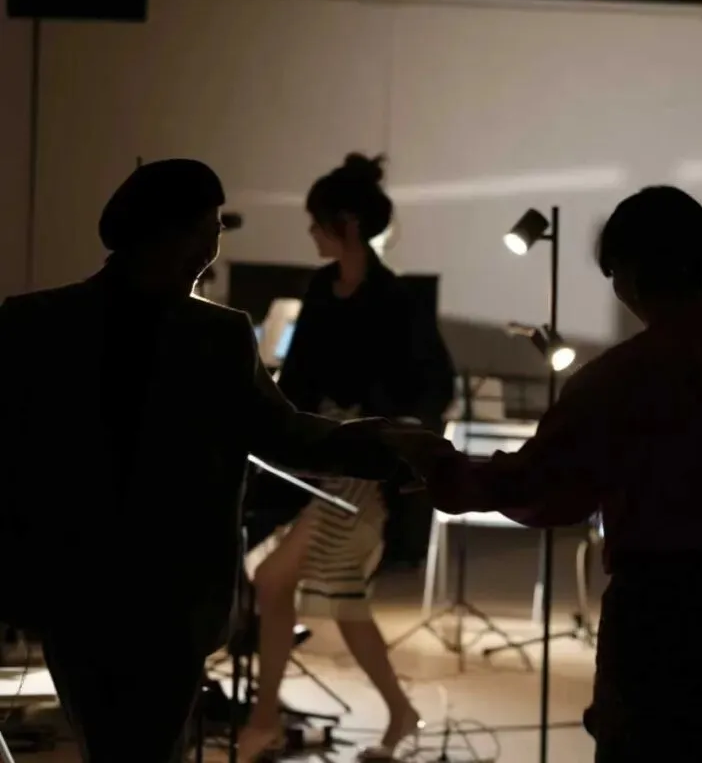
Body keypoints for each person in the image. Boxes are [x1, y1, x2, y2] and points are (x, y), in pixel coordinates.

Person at [0, 159, 448, 763]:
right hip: (170, 598)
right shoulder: (215, 337)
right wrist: (392, 447)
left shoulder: (34, 322)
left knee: (107, 741)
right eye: (208, 229)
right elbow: (290, 436)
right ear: (170, 234)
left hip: (74, 591)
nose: (213, 248)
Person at [420, 187, 702, 762]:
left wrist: (440, 470)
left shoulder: (616, 377)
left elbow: (542, 485)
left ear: (629, 276)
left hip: (656, 627)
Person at [234, 154, 454, 762]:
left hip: (365, 467)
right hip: (326, 459)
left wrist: (390, 435)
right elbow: (298, 383)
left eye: (318, 222)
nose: (311, 232)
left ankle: (264, 720)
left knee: (277, 581)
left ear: (347, 224)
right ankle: (391, 711)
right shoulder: (320, 290)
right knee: (325, 595)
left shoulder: (397, 298)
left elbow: (431, 385)